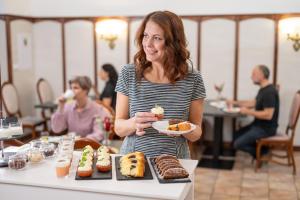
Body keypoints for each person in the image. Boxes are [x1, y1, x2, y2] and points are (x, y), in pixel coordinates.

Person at [114, 11, 206, 158]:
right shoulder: (129, 73)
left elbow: (196, 133)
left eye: (157, 38)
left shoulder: (193, 78)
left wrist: (181, 128)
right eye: (145, 36)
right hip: (133, 161)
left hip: (176, 163)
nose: (148, 44)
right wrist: (134, 123)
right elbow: (118, 128)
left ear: (173, 43)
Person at [227, 65, 280, 159]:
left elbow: (268, 115)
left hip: (266, 129)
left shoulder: (269, 92)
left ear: (262, 75)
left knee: (237, 144)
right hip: (257, 125)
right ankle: (261, 150)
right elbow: (253, 103)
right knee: (236, 135)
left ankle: (263, 152)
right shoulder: (263, 89)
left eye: (254, 74)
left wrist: (248, 112)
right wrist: (235, 102)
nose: (251, 76)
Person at [51, 76, 111, 141]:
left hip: (90, 146)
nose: (72, 91)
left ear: (86, 90)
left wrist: (82, 141)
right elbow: (56, 129)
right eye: (71, 88)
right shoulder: (67, 107)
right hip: (71, 146)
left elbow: (99, 133)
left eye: (76, 88)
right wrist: (60, 107)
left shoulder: (97, 109)